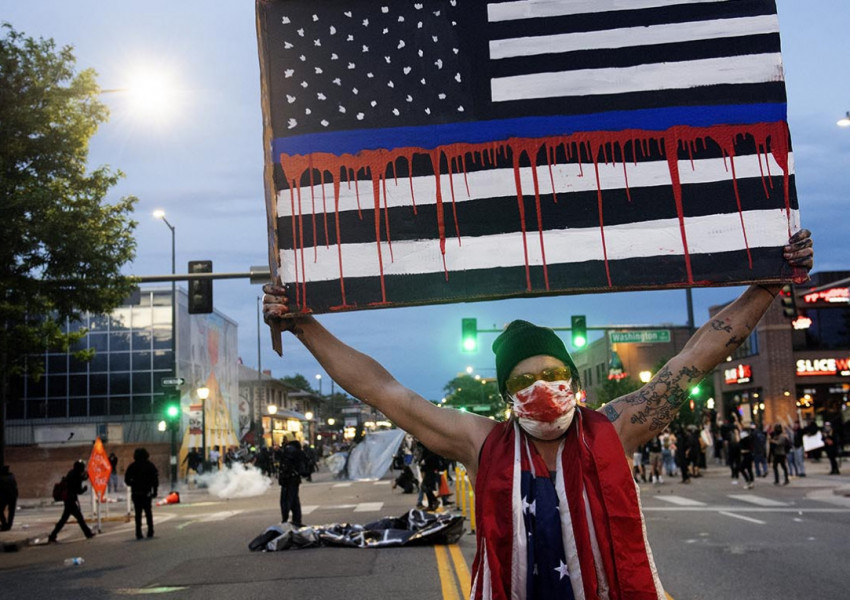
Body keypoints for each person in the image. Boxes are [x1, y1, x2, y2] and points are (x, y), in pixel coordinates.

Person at [262, 229, 812, 598]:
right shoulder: (481, 444)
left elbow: (696, 357)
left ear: (575, 383)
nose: (543, 388)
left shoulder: (615, 428)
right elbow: (385, 391)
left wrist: (768, 282)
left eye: (554, 375)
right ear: (507, 395)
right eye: (525, 380)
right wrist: (303, 324)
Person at [48, 460, 95, 542]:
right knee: (79, 518)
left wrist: (83, 478)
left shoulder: (71, 473)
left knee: (64, 519)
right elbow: (78, 490)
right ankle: (88, 533)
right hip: (71, 500)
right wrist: (84, 489)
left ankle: (53, 535)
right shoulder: (76, 476)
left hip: (68, 500)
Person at [124, 447, 159, 540]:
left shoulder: (132, 466)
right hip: (146, 492)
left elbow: (127, 479)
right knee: (148, 512)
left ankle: (138, 532)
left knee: (138, 513)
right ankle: (150, 530)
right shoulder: (150, 466)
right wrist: (155, 491)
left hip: (136, 492)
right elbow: (155, 479)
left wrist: (133, 484)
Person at [278, 438, 306, 526]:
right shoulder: (297, 451)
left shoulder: (287, 451)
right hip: (294, 479)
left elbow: (283, 466)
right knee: (294, 500)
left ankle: (285, 519)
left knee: (286, 500)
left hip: (287, 479)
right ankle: (297, 520)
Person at [0, 465, 19, 531]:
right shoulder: (12, 476)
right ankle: (8, 525)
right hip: (13, 497)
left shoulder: (2, 478)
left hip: (5, 497)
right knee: (11, 512)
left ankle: (4, 523)